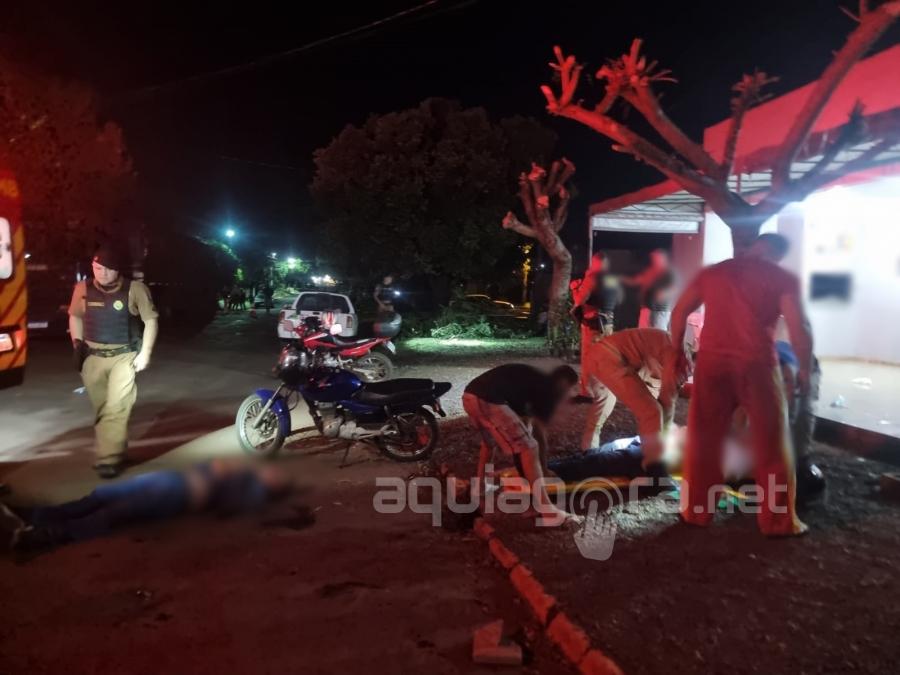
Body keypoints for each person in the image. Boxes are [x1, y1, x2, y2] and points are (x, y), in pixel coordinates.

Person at [670, 232, 812, 536]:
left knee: (705, 439)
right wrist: (804, 369)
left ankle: (696, 511)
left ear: (754, 246)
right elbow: (800, 326)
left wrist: (677, 350)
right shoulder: (781, 278)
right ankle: (777, 521)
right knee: (772, 442)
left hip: (712, 364)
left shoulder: (714, 272)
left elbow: (680, 310)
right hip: (757, 365)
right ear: (778, 254)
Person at [1, 460, 294, 552]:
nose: (272, 473)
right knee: (101, 495)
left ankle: (45, 535)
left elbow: (224, 505)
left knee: (115, 511)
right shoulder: (245, 475)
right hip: (166, 480)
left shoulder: (251, 493)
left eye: (276, 478)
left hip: (176, 494)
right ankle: (37, 516)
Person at [68, 245, 159, 479]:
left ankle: (108, 459)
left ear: (118, 269)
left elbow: (150, 321)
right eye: (97, 268)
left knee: (116, 407)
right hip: (92, 358)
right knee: (102, 409)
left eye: (108, 269)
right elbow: (75, 316)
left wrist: (145, 353)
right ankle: (117, 449)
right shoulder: (82, 289)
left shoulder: (135, 289)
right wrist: (77, 344)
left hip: (124, 357)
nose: (102, 273)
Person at [463, 364, 579, 523]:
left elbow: (526, 422)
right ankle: (548, 511)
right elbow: (536, 433)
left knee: (489, 444)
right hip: (487, 399)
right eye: (569, 389)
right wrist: (543, 470)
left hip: (470, 396)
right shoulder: (544, 388)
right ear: (563, 383)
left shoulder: (532, 380)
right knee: (530, 448)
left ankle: (480, 487)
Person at [580, 328, 683, 466]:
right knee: (652, 411)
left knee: (603, 409)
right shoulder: (676, 358)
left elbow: (659, 396)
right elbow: (666, 403)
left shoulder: (671, 353)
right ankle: (654, 467)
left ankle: (588, 454)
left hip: (600, 355)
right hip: (609, 357)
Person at [622, 249, 676, 330]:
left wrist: (664, 293)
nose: (654, 260)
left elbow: (674, 289)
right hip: (649, 308)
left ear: (663, 259)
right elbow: (638, 280)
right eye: (653, 258)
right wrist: (622, 279)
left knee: (658, 333)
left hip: (661, 309)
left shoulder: (668, 273)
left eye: (656, 258)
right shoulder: (651, 272)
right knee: (647, 333)